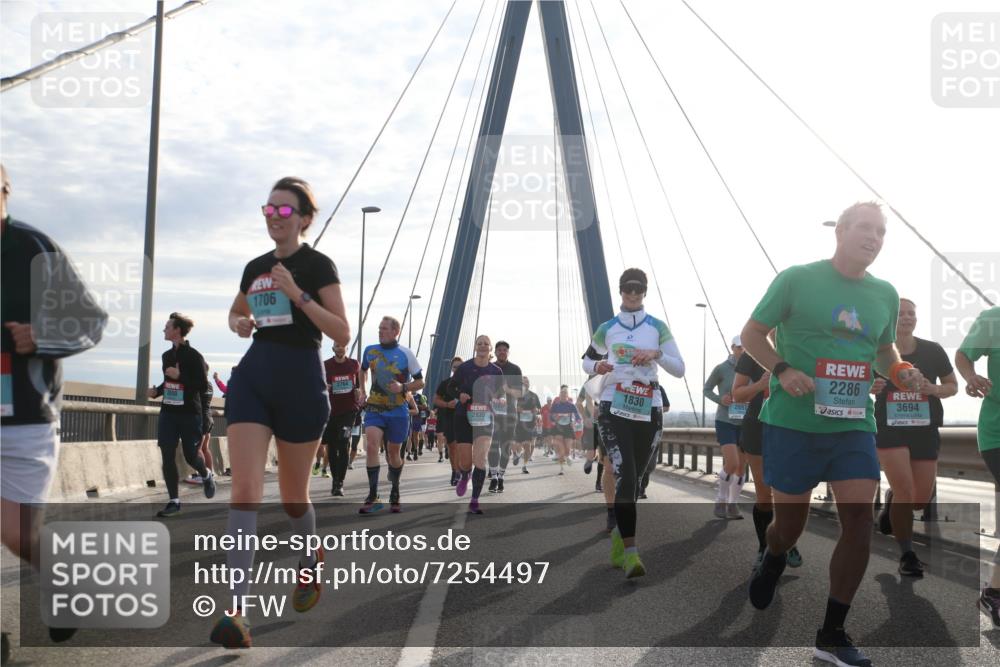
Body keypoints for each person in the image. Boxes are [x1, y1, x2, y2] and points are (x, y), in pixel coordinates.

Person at [740, 201, 924, 667]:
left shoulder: (884, 293)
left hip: (853, 424)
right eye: (865, 227)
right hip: (792, 424)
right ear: (840, 230)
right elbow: (754, 333)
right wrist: (781, 370)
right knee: (789, 527)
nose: (874, 238)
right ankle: (774, 555)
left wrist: (901, 371)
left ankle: (833, 633)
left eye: (881, 232)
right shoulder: (797, 279)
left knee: (860, 518)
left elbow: (883, 351)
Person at [210, 177, 350, 649]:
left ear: (305, 219)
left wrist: (298, 294)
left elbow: (341, 332)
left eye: (284, 211)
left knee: (293, 497)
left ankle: (310, 556)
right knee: (245, 488)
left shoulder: (317, 265)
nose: (274, 215)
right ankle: (237, 611)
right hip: (254, 377)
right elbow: (235, 313)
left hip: (301, 383)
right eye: (268, 208)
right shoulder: (255, 267)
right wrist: (239, 322)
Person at [1, 164, 108, 650]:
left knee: (20, 536)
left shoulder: (33, 248)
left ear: (5, 191)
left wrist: (42, 337)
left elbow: (90, 321)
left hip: (22, 421)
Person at [583, 267, 685, 578]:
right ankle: (630, 552)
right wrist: (598, 365)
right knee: (625, 475)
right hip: (614, 405)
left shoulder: (657, 327)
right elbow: (587, 359)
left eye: (638, 288)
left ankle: (619, 536)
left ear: (645, 291)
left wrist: (656, 355)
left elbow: (679, 368)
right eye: (628, 288)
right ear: (620, 291)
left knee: (638, 481)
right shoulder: (607, 328)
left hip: (648, 407)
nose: (632, 293)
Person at [872, 298, 957, 576]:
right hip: (890, 427)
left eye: (912, 313)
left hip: (925, 428)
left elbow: (952, 386)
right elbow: (856, 384)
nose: (907, 318)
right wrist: (870, 386)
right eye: (901, 314)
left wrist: (932, 389)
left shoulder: (932, 350)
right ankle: (907, 554)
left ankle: (890, 500)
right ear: (890, 320)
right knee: (907, 492)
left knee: (918, 499)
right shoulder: (876, 352)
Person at [732, 338, 803, 569]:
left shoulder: (802, 347)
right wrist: (761, 386)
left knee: (789, 492)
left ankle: (787, 540)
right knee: (765, 495)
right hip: (758, 427)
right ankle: (765, 547)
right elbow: (738, 395)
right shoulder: (751, 353)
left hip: (794, 427)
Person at [955, 305, 1000, 628]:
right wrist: (971, 377)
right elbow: (962, 355)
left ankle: (993, 592)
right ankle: (994, 593)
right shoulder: (993, 319)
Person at [148, 313, 215, 515]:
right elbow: (169, 382)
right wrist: (157, 392)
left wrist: (181, 376)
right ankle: (174, 501)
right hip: (168, 412)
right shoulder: (166, 356)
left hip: (189, 413)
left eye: (167, 326)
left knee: (190, 456)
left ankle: (206, 474)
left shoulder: (194, 356)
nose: (164, 330)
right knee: (167, 454)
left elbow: (202, 385)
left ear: (177, 330)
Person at [359, 316, 424, 514]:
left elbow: (421, 382)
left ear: (396, 331)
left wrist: (403, 387)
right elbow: (362, 371)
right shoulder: (370, 350)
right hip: (375, 408)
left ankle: (395, 492)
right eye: (379, 328)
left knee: (394, 454)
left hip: (398, 411)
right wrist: (362, 390)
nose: (380, 332)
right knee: (371, 446)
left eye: (385, 329)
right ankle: (373, 496)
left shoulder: (406, 353)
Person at [451, 335, 503, 514]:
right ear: (475, 347)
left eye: (486, 344)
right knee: (465, 461)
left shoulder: (496, 371)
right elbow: (452, 387)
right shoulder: (465, 368)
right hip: (463, 415)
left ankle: (474, 500)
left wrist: (499, 401)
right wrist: (460, 395)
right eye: (479, 343)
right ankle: (465, 475)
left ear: (490, 349)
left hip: (485, 417)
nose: (482, 346)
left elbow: (499, 394)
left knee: (480, 459)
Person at [705, 336, 748, 519]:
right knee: (732, 463)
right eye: (740, 347)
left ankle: (733, 504)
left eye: (746, 347)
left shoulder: (754, 368)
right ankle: (720, 499)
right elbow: (707, 389)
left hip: (747, 422)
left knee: (741, 468)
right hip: (725, 421)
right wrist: (720, 399)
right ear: (732, 348)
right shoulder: (722, 368)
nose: (743, 350)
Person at [323, 341, 362, 496]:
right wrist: (324, 387)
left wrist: (359, 390)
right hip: (330, 411)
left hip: (348, 411)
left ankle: (340, 482)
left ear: (347, 348)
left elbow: (358, 384)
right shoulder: (325, 365)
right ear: (333, 348)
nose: (340, 348)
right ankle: (335, 480)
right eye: (337, 346)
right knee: (332, 447)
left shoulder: (354, 365)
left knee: (343, 443)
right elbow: (317, 383)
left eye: (342, 346)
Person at [489, 340, 523, 493]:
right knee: (493, 446)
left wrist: (507, 389)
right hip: (492, 413)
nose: (502, 352)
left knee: (505, 447)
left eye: (505, 350)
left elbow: (519, 393)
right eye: (499, 350)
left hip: (509, 414)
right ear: (495, 352)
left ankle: (501, 475)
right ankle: (494, 477)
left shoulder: (515, 369)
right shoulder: (490, 368)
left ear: (508, 353)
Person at [434, 357, 463, 485]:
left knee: (464, 447)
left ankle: (463, 470)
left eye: (459, 367)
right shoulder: (445, 383)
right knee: (452, 447)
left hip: (466, 419)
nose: (457, 369)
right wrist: (447, 404)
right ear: (451, 368)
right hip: (449, 418)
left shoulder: (469, 383)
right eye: (455, 367)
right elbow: (436, 400)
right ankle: (455, 471)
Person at [549, 386, 582, 474]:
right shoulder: (555, 405)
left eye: (565, 394)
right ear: (559, 396)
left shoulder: (571, 405)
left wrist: (574, 423)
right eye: (561, 394)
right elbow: (550, 416)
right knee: (560, 448)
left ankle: (568, 456)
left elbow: (578, 418)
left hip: (568, 427)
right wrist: (554, 419)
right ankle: (561, 468)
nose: (563, 396)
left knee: (567, 448)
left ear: (567, 396)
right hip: (558, 427)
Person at [512, 376, 541, 474]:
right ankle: (516, 454)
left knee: (528, 447)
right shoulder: (516, 396)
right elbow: (509, 407)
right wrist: (516, 409)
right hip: (517, 424)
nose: (526, 384)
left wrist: (536, 410)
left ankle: (524, 466)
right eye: (524, 383)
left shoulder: (534, 395)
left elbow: (539, 409)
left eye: (527, 382)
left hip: (530, 425)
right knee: (516, 445)